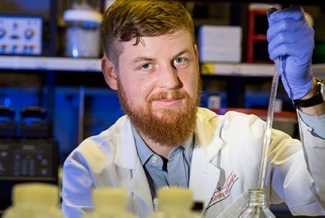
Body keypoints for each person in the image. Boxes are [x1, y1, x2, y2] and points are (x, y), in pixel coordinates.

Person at [61, 0, 325, 218]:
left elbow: (319, 197)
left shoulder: (248, 139)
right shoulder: (89, 169)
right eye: (146, 65)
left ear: (196, 59)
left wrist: (306, 94)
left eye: (180, 60)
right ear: (112, 74)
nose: (171, 81)